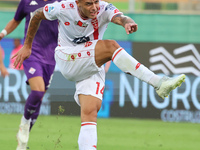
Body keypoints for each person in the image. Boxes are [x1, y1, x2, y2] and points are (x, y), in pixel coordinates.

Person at [13, 0, 186, 149]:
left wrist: (127, 22)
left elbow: (120, 17)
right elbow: (36, 14)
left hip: (90, 64)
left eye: (96, 1)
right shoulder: (63, 7)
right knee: (110, 46)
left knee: (90, 113)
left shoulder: (103, 7)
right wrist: (27, 46)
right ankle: (158, 83)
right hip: (68, 57)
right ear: (77, 3)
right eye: (88, 3)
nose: (94, 7)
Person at [0, 0, 62, 149]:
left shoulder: (62, 2)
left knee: (39, 99)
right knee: (38, 90)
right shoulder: (27, 2)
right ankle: (24, 122)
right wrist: (2, 33)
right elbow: (16, 20)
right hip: (31, 52)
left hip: (51, 57)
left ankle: (22, 143)